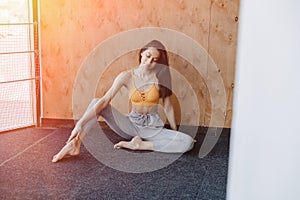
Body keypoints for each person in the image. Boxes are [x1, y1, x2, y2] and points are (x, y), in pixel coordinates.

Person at [52, 40, 195, 163]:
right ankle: (75, 143)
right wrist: (80, 123)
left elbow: (168, 107)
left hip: (153, 128)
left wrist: (176, 134)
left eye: (155, 60)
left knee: (187, 143)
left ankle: (140, 145)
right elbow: (105, 100)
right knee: (97, 101)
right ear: (141, 53)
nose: (149, 61)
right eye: (148, 56)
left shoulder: (161, 79)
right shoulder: (126, 76)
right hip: (130, 125)